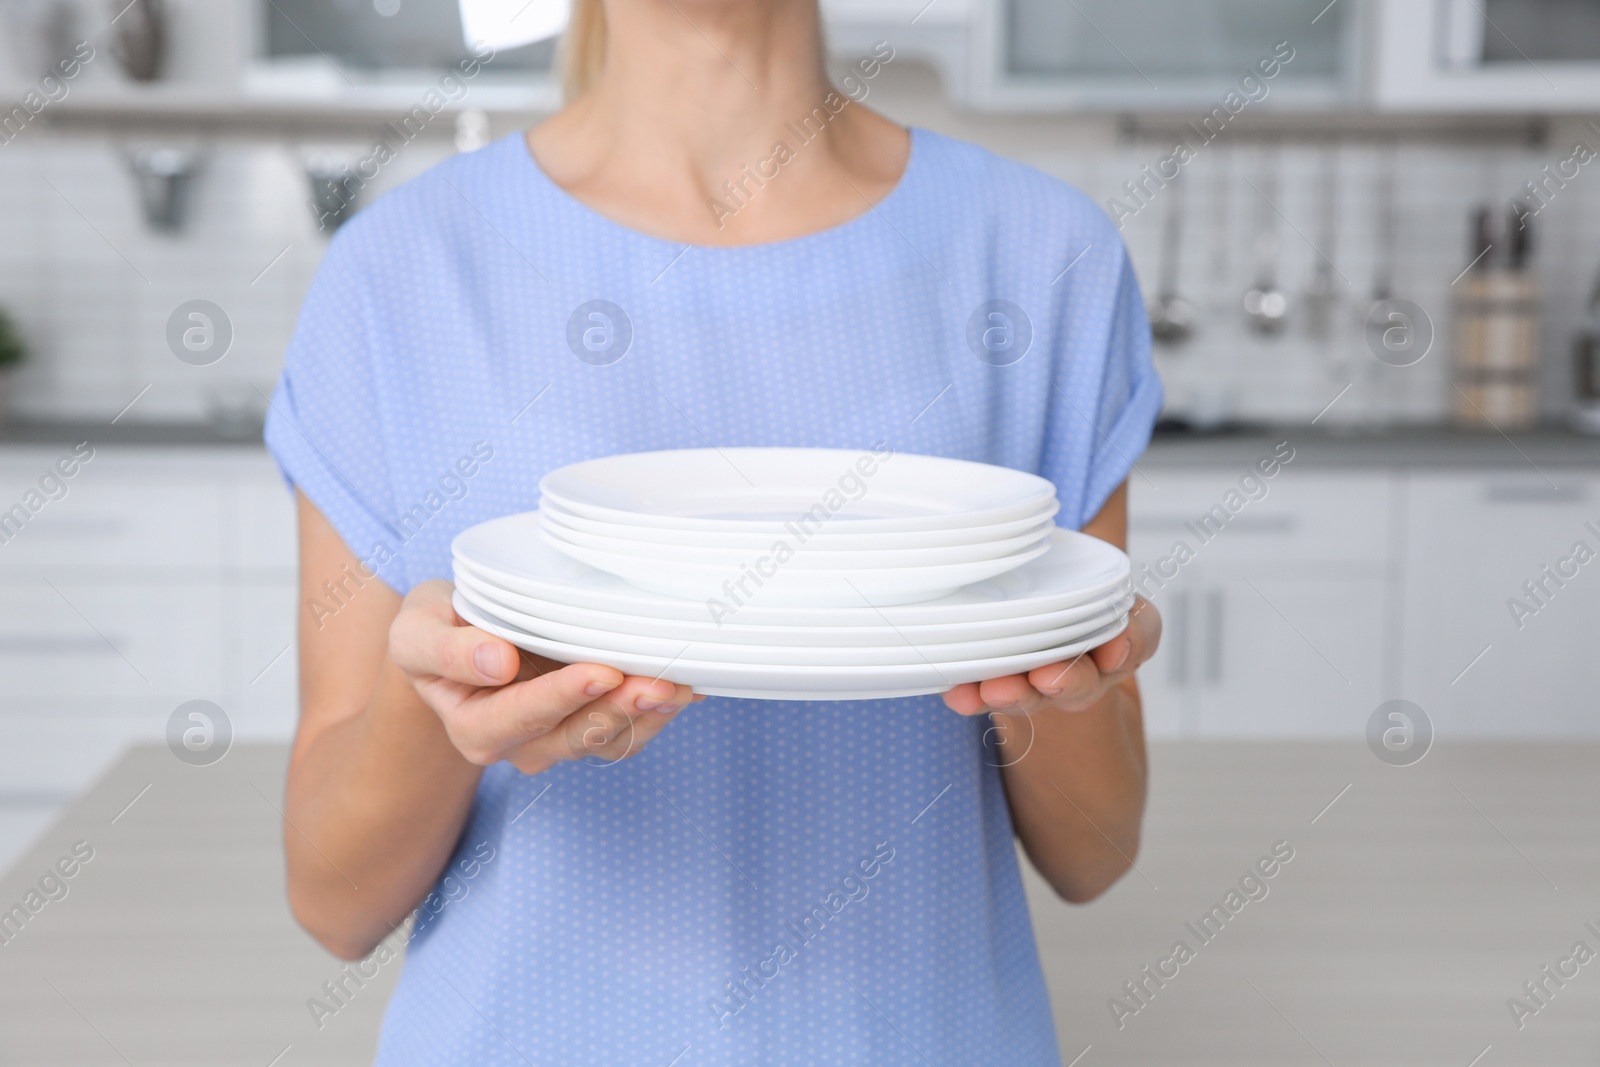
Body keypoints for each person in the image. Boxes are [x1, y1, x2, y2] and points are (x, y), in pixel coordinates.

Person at [266, 0, 1163, 1062]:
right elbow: (333, 898)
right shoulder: (398, 274)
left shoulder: (1044, 256)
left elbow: (1094, 852)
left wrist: (1056, 677)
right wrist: (443, 709)